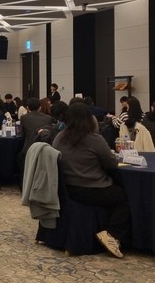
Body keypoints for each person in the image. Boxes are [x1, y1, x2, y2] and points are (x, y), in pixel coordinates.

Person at [52, 102, 130, 259]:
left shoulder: (59, 138)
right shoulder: (95, 139)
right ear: (90, 119)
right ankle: (112, 234)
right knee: (124, 197)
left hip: (67, 189)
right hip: (92, 189)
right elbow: (111, 164)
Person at [19, 98, 54, 167]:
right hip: (44, 148)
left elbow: (22, 134)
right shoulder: (48, 118)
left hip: (29, 148)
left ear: (27, 107)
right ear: (40, 107)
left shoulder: (24, 118)